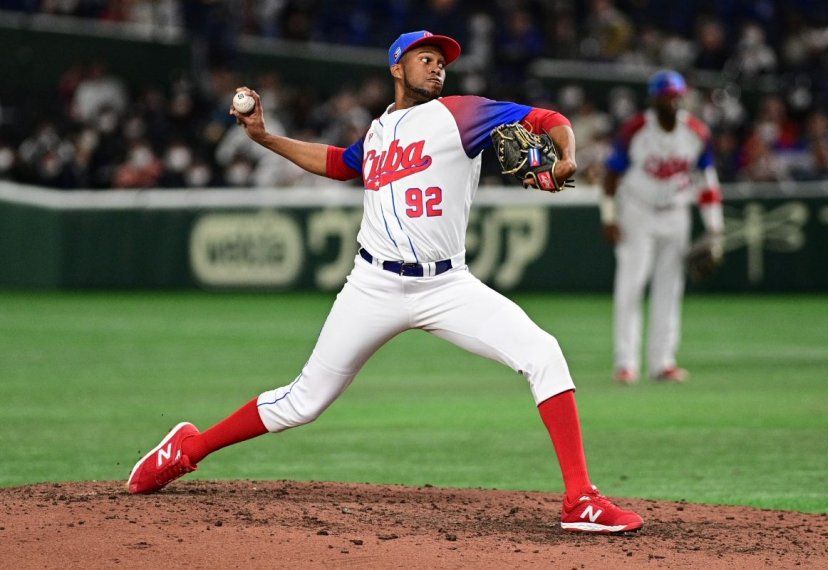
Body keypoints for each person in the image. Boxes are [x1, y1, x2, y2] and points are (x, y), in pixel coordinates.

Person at [127, 30, 643, 534]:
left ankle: (581, 499)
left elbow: (549, 119)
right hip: (372, 285)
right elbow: (337, 163)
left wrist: (567, 155)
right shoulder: (378, 131)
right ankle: (188, 448)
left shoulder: (462, 112)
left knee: (543, 351)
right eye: (425, 57)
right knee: (305, 401)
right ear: (396, 67)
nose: (438, 65)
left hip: (447, 287)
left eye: (442, 59)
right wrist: (264, 138)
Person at [600, 70, 724, 384]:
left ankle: (663, 362)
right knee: (631, 286)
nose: (671, 100)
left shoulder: (695, 132)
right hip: (637, 212)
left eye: (675, 95)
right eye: (665, 95)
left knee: (669, 289)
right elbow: (611, 176)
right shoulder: (636, 129)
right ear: (654, 99)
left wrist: (714, 230)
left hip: (676, 213)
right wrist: (609, 217)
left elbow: (707, 182)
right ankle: (626, 363)